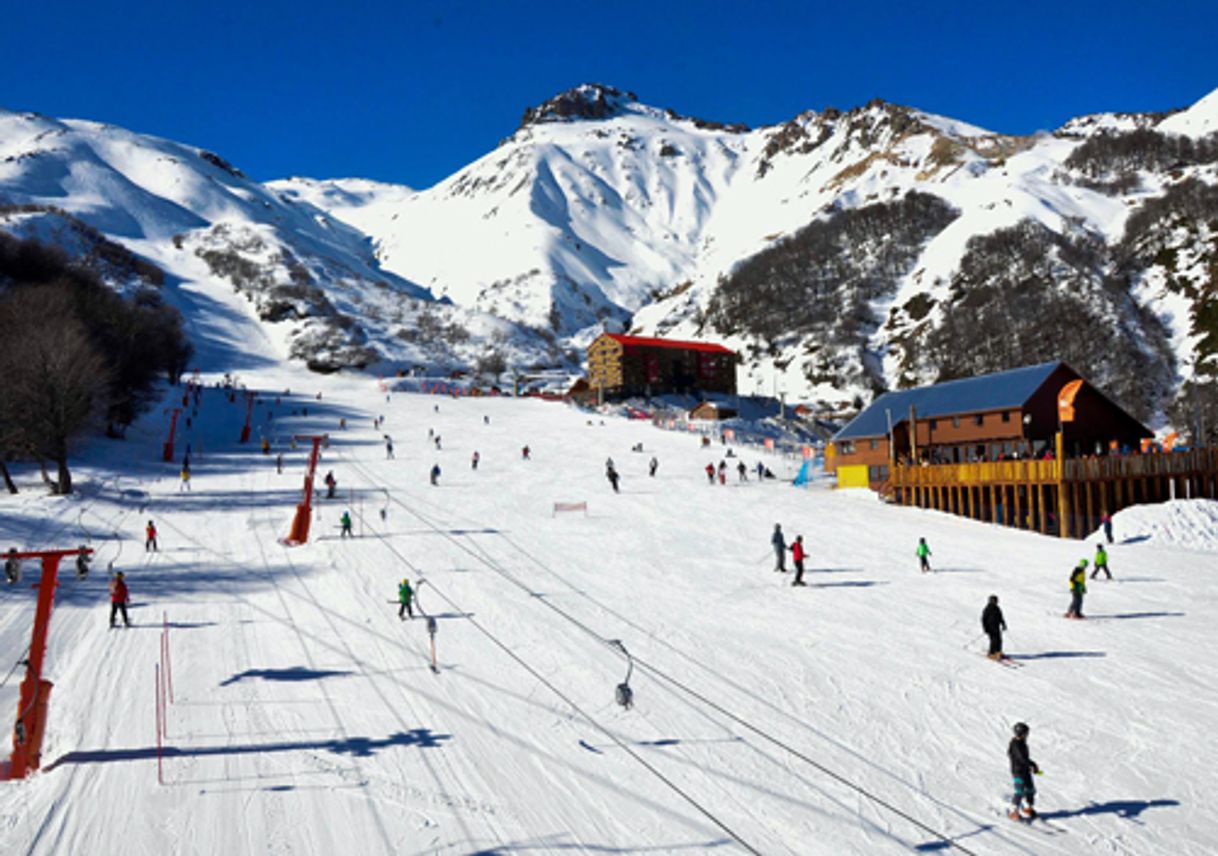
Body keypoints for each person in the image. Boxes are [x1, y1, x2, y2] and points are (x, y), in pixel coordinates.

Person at [1008, 722, 1040, 820]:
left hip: (1025, 770)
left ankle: (1027, 807)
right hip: (1018, 772)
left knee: (1030, 789)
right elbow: (1022, 758)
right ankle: (1013, 811)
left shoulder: (1022, 743)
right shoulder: (1015, 745)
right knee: (1020, 791)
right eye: (1026, 733)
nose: (1027, 735)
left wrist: (1032, 765)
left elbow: (1025, 758)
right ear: (1021, 734)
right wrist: (1031, 765)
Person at [982, 595, 1007, 660]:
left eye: (996, 600)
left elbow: (1000, 617)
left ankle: (998, 652)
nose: (996, 602)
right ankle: (991, 653)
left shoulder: (997, 608)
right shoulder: (987, 608)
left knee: (999, 640)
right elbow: (983, 619)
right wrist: (985, 628)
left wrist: (1003, 624)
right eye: (995, 600)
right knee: (993, 640)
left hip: (996, 627)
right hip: (990, 627)